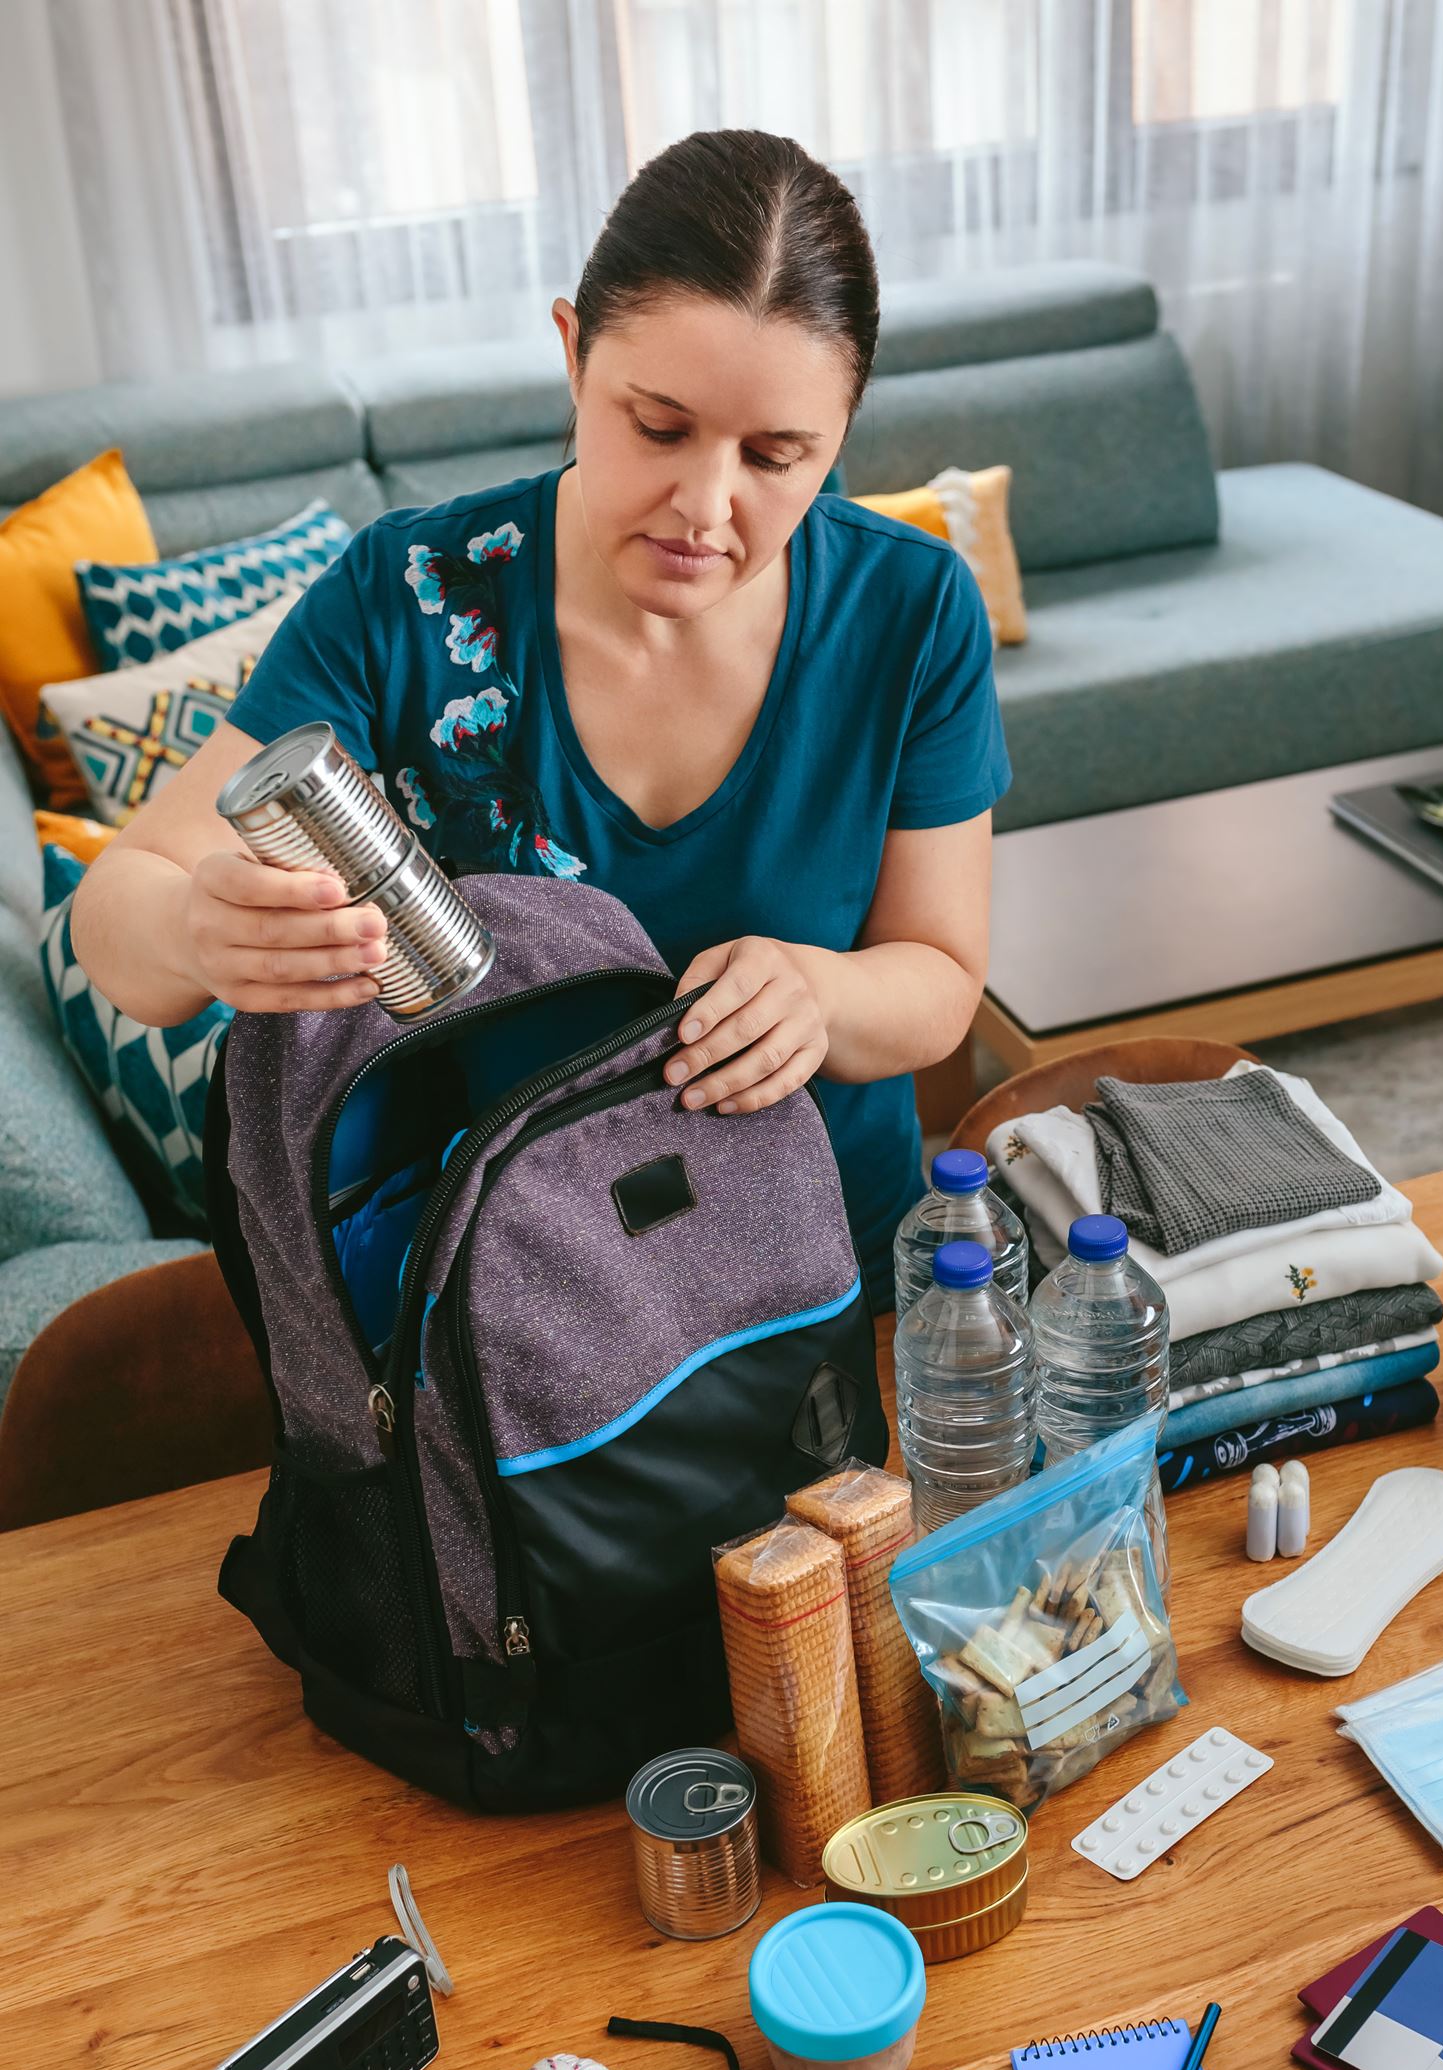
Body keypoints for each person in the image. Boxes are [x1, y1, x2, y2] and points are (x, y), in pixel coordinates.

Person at [72, 127, 1009, 1310]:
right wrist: (195, 930)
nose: (705, 505)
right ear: (572, 353)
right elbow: (118, 911)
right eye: (657, 426)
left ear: (841, 431)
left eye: (777, 456)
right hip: (510, 1320)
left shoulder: (911, 611)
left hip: (827, 1285)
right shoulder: (405, 596)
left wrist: (821, 997)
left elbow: (939, 976)